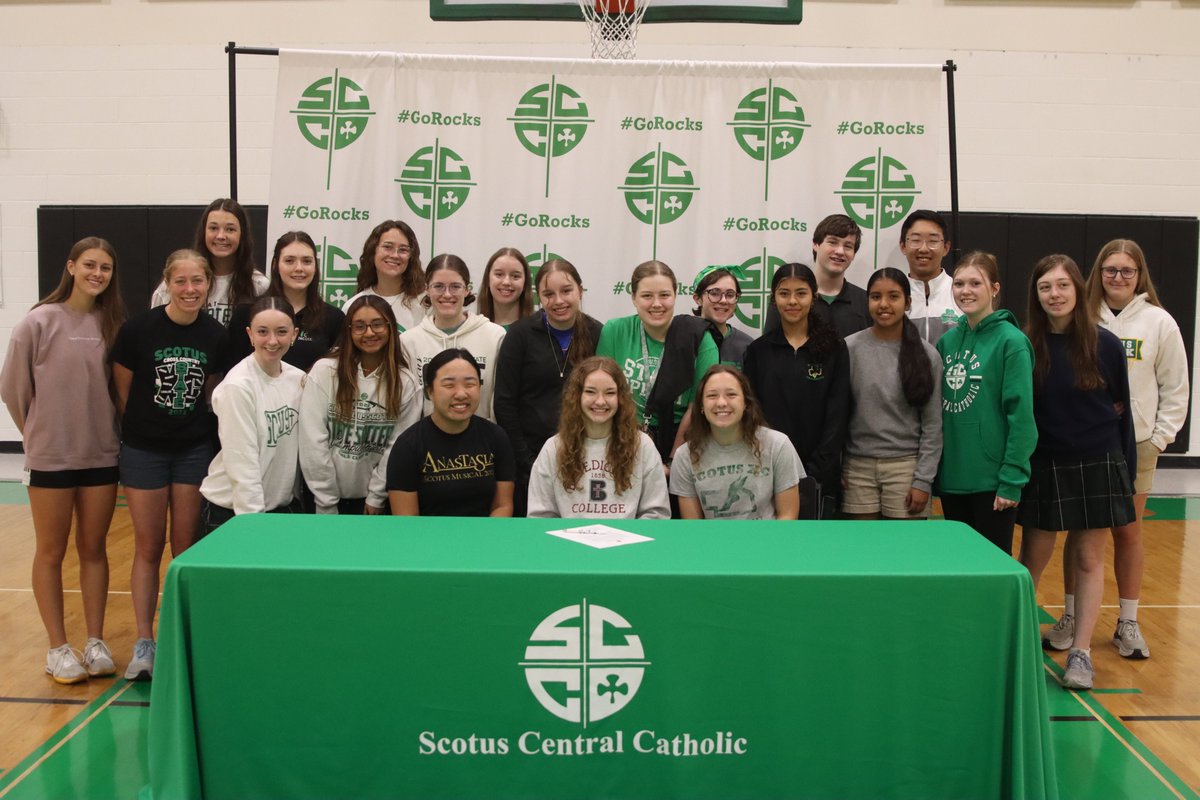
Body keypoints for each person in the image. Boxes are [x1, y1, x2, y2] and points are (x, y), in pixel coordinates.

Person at [1042, 240, 1190, 660]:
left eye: (1126, 270)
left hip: (1138, 443)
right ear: (1097, 274)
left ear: (1140, 275)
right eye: (1110, 270)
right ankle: (1072, 616)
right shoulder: (1082, 316)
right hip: (1088, 443)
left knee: (1128, 532)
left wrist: (1159, 437)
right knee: (1080, 531)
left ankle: (1128, 621)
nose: (1118, 278)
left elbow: (1175, 387)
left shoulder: (1159, 322)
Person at [1, 238, 125, 684]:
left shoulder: (112, 325)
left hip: (101, 456)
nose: (97, 273)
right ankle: (57, 647)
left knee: (94, 550)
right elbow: (14, 390)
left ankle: (95, 640)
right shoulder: (38, 321)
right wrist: (39, 433)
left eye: (106, 267)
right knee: (51, 552)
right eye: (90, 264)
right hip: (51, 459)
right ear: (71, 266)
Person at [1016, 254, 1136, 691]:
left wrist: (1127, 469)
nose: (1055, 294)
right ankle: (1020, 645)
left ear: (1078, 290)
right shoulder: (1025, 344)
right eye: (1046, 287)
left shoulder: (1105, 345)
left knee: (1088, 559)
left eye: (1063, 285)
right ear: (1036, 295)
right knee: (1030, 563)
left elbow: (1122, 410)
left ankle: (1081, 653)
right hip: (1043, 465)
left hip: (1097, 461)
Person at [111, 249, 229, 681]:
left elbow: (211, 394)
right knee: (147, 546)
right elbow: (122, 391)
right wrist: (145, 430)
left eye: (198, 281)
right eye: (181, 281)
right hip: (143, 450)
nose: (190, 289)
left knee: (185, 545)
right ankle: (144, 641)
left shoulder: (216, 335)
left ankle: (180, 636)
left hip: (193, 450)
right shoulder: (138, 330)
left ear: (208, 285)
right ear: (167, 283)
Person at [935, 252, 1036, 553]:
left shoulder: (1012, 342)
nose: (965, 291)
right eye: (959, 283)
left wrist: (1011, 480)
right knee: (960, 567)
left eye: (975, 283)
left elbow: (1021, 417)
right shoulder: (947, 342)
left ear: (994, 288)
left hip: (992, 483)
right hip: (953, 478)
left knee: (990, 570)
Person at [494, 259, 602, 516]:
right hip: (528, 464)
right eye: (548, 294)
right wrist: (529, 462)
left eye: (566, 291)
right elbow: (504, 404)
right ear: (538, 297)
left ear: (580, 291)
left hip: (588, 463)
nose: (558, 301)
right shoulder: (519, 335)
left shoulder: (598, 333)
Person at [743, 263, 849, 518]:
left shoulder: (834, 348)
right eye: (784, 293)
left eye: (801, 293)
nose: (792, 301)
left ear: (814, 297)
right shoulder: (758, 351)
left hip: (820, 475)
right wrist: (775, 465)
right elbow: (752, 413)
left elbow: (838, 413)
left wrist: (816, 470)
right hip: (768, 471)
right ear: (773, 298)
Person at [299, 296, 422, 515]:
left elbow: (396, 447)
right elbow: (312, 439)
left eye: (377, 324)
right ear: (348, 331)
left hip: (373, 502)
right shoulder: (325, 371)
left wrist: (376, 496)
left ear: (391, 327)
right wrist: (326, 499)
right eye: (359, 326)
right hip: (321, 499)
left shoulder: (406, 382)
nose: (369, 333)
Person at [596, 260, 720, 467]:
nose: (656, 304)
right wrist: (626, 446)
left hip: (683, 443)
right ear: (634, 298)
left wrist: (673, 460)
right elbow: (603, 394)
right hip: (623, 440)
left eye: (664, 295)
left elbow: (698, 405)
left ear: (675, 295)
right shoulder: (615, 331)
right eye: (646, 296)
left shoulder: (698, 338)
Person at [842, 269, 943, 520]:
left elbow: (933, 425)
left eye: (893, 297)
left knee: (904, 555)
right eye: (876, 297)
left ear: (907, 303)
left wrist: (923, 481)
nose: (884, 304)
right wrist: (839, 465)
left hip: (906, 468)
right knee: (863, 552)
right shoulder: (848, 348)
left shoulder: (927, 355)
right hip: (857, 468)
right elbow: (837, 413)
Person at [200, 297, 305, 529]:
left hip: (279, 507)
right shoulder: (237, 387)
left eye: (281, 331)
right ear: (249, 335)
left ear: (294, 334)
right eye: (262, 331)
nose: (272, 340)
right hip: (234, 512)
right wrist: (253, 526)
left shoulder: (298, 379)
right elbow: (242, 464)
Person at [528, 356, 669, 519]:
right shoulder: (553, 448)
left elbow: (656, 513)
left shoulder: (642, 446)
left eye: (610, 393)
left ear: (620, 398)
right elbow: (540, 517)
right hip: (569, 543)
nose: (600, 401)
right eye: (590, 392)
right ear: (576, 396)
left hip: (627, 543)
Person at [386, 349, 516, 517]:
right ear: (430, 391)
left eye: (470, 384)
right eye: (449, 385)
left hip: (484, 538)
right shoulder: (408, 446)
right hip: (427, 539)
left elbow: (502, 506)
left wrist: (485, 541)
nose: (461, 394)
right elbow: (407, 520)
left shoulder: (496, 437)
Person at [670, 365, 802, 520]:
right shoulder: (685, 455)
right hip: (713, 543)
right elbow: (694, 527)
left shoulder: (778, 445)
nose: (721, 403)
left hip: (766, 542)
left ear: (746, 403)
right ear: (701, 407)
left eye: (731, 394)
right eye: (712, 396)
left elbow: (787, 516)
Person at [399, 254, 506, 421]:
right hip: (428, 441)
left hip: (480, 441)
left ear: (467, 289)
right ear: (427, 289)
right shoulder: (409, 342)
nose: (447, 294)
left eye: (455, 286)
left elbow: (499, 405)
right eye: (439, 286)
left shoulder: (494, 337)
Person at [227, 231, 346, 372]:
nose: (299, 268)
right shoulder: (245, 314)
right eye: (289, 261)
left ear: (316, 265)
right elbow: (232, 372)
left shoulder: (334, 318)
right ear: (275, 265)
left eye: (307, 261)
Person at [150, 198, 269, 325]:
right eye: (213, 228)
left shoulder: (259, 285)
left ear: (242, 235)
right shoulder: (175, 283)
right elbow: (154, 328)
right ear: (204, 232)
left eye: (230, 229)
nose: (221, 236)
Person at [765, 214, 870, 339]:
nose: (840, 251)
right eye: (833, 242)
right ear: (816, 244)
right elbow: (769, 352)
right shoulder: (787, 299)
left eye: (848, 246)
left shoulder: (866, 302)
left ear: (853, 254)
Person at [343, 220, 426, 332]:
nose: (395, 255)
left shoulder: (425, 303)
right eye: (387, 247)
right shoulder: (353, 305)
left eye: (403, 250)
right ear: (373, 251)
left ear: (411, 256)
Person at [899, 209, 957, 343]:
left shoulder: (960, 293)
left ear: (946, 248)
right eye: (916, 240)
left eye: (933, 241)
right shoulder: (894, 296)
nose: (924, 249)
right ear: (903, 246)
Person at [691, 265, 753, 368]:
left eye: (730, 295)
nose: (723, 300)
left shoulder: (747, 346)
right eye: (714, 293)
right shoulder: (683, 339)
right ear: (698, 299)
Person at [477, 247, 534, 329]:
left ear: (525, 283)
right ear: (487, 279)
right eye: (499, 274)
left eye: (515, 276)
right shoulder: (473, 329)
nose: (506, 282)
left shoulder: (538, 331)